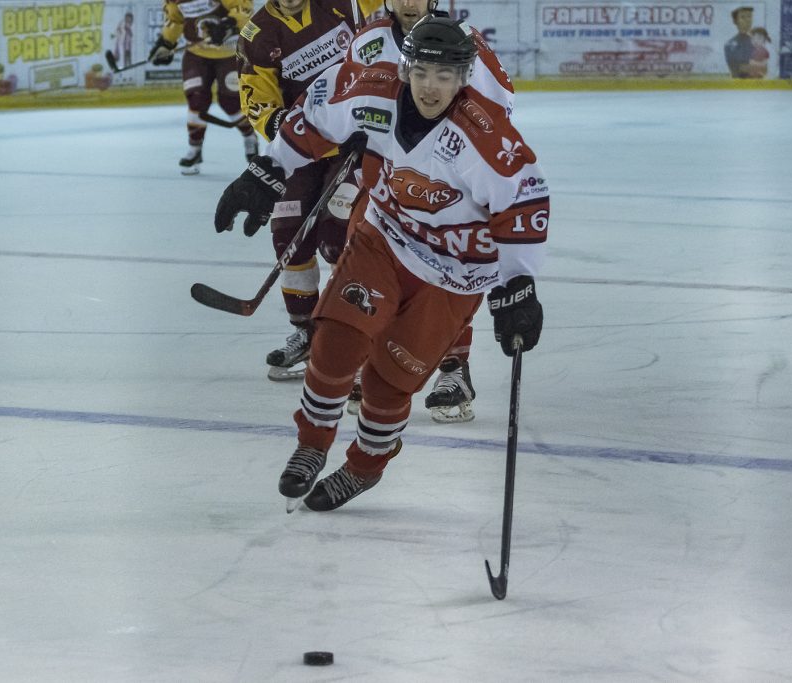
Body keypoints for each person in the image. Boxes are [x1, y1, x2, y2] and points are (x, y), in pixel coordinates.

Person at [214, 16, 549, 511]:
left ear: (463, 78)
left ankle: (366, 465)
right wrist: (267, 171)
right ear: (405, 68)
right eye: (421, 73)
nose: (430, 87)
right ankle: (312, 444)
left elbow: (525, 207)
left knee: (390, 380)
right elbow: (311, 119)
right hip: (386, 237)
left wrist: (517, 287)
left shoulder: (484, 138)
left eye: (445, 76)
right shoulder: (372, 91)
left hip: (458, 271)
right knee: (336, 339)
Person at [343, 0, 516, 422]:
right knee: (367, 260)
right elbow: (344, 102)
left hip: (447, 182)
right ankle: (376, 360)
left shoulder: (466, 43)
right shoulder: (367, 40)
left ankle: (454, 370)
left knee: (450, 268)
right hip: (384, 177)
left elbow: (502, 108)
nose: (407, 2)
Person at [232, 0, 382, 381]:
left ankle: (352, 336)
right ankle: (307, 332)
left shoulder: (344, 2)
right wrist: (291, 125)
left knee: (338, 236)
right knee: (288, 238)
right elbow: (259, 104)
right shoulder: (257, 34)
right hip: (303, 145)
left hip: (356, 140)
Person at [148, 0, 259, 174]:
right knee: (196, 100)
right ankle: (195, 149)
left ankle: (249, 136)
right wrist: (166, 43)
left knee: (231, 103)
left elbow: (243, 8)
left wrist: (229, 24)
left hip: (229, 53)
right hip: (196, 55)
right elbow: (175, 20)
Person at [724, 6, 756, 79]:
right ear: (735, 21)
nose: (747, 20)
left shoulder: (757, 43)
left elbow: (764, 69)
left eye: (749, 16)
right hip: (738, 86)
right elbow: (737, 70)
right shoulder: (729, 44)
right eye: (743, 17)